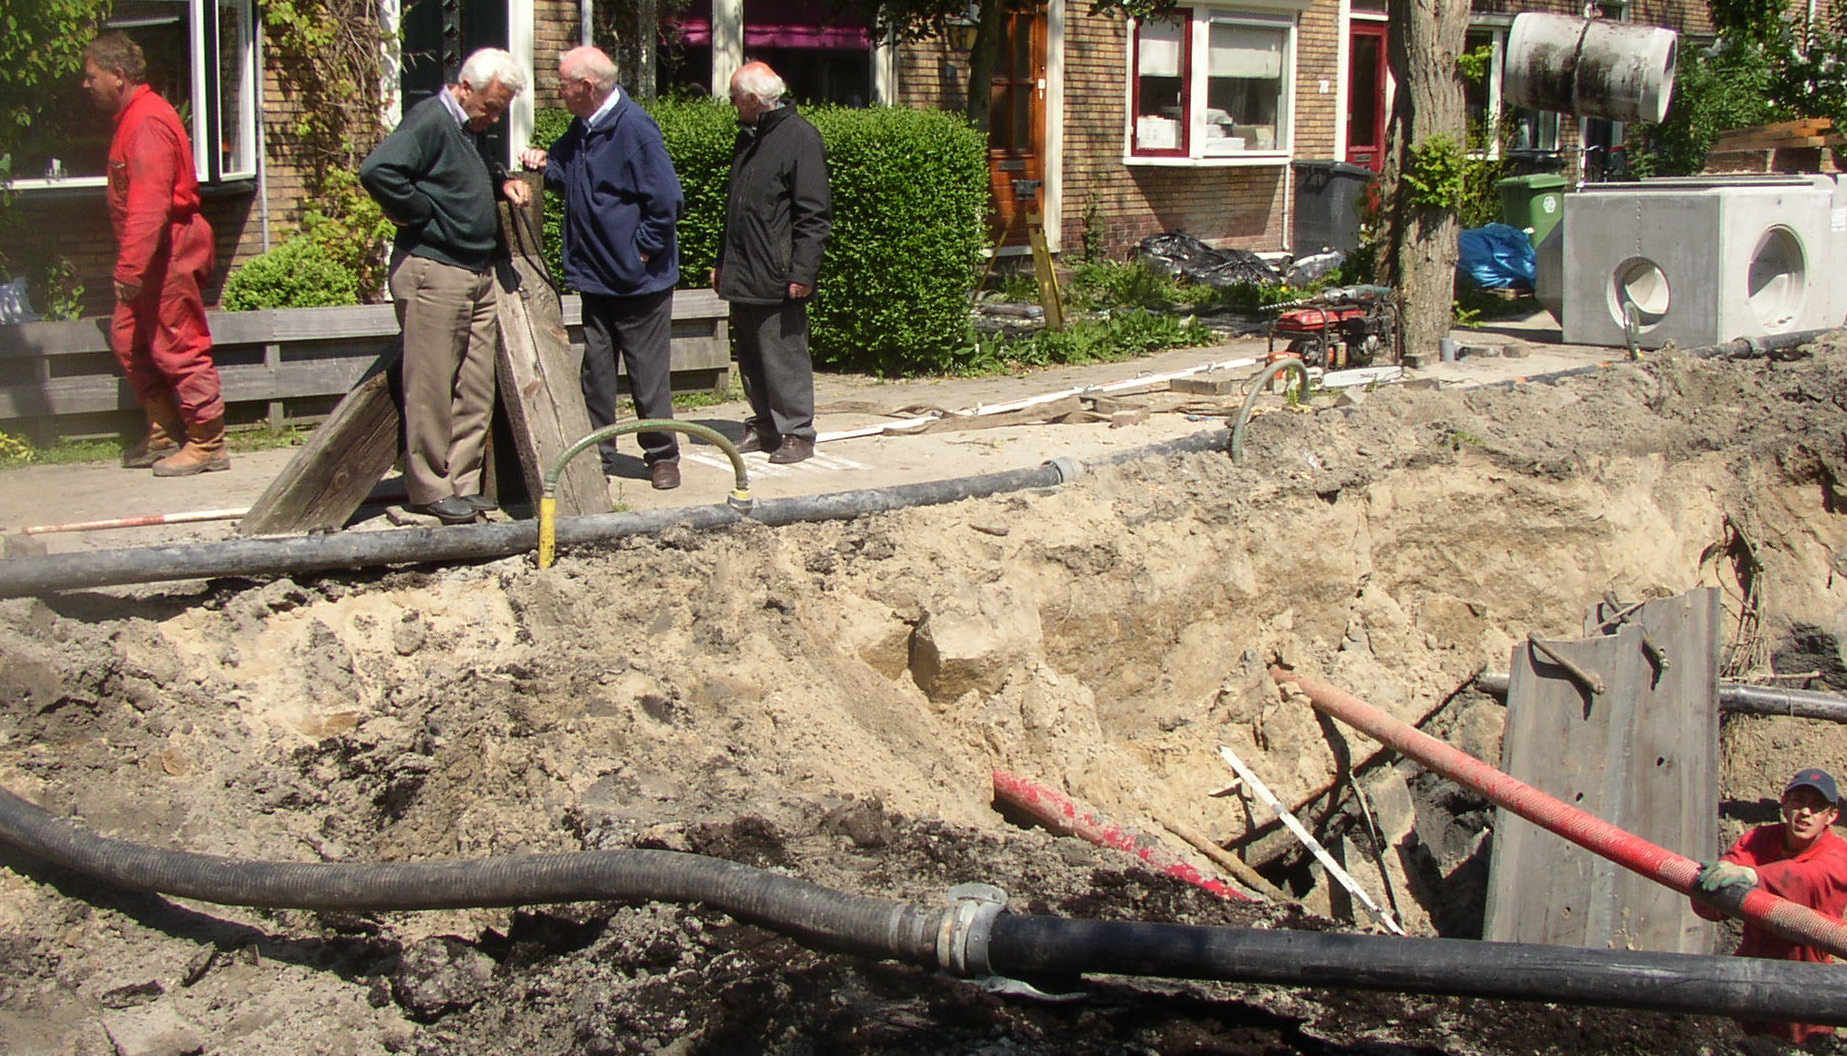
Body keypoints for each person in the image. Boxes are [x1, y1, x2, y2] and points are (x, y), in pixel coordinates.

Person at [359, 48, 531, 524]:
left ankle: (462, 483)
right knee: (432, 385)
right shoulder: (431, 119)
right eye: (490, 106)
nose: (494, 117)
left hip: (474, 271)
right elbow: (378, 171)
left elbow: (458, 177)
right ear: (465, 87)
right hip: (436, 270)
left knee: (475, 386)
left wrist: (501, 181)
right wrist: (420, 214)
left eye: (501, 109)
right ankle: (430, 488)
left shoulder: (467, 129)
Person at [518, 46, 684, 490]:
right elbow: (568, 177)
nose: (559, 92)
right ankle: (598, 453)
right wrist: (542, 164)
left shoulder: (634, 128)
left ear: (587, 87)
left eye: (564, 85)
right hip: (595, 277)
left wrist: (642, 252)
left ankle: (662, 456)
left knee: (647, 374)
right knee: (596, 372)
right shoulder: (583, 129)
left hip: (639, 281)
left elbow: (666, 199)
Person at [83, 31, 228, 477]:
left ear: (118, 76)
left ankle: (208, 442)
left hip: (168, 248)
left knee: (178, 341)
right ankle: (164, 428)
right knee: (129, 336)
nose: (86, 86)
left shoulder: (146, 122)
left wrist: (130, 269)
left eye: (92, 77)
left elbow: (149, 204)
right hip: (154, 251)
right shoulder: (133, 119)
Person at [713, 61, 831, 465]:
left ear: (751, 98)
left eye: (734, 98)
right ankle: (764, 423)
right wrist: (721, 262)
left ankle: (797, 431)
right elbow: (735, 210)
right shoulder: (749, 139)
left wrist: (803, 271)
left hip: (778, 273)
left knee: (784, 354)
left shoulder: (799, 138)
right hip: (744, 269)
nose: (732, 106)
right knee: (750, 353)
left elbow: (813, 214)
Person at [1692, 767, 1847, 1046]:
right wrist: (1711, 890)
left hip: (1806, 988)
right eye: (1799, 802)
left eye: (1816, 806)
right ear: (1784, 804)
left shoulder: (1838, 854)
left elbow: (1808, 878)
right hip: (1751, 977)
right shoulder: (1759, 841)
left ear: (1831, 815)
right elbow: (1711, 902)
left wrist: (1752, 876)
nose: (1806, 813)